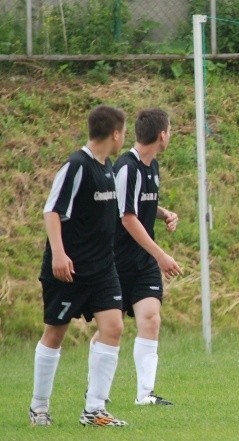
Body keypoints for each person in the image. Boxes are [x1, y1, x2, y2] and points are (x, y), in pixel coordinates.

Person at [30, 105, 129, 427]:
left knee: (113, 328)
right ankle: (39, 407)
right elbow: (51, 211)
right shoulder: (76, 166)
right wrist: (59, 254)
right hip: (68, 269)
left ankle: (94, 410)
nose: (123, 137)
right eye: (122, 132)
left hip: (103, 269)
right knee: (55, 334)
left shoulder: (109, 166)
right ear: (115, 133)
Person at [89, 108, 181, 406]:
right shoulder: (127, 167)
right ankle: (94, 392)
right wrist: (162, 255)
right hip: (116, 263)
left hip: (142, 265)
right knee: (109, 329)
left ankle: (145, 394)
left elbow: (139, 205)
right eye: (170, 130)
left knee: (151, 319)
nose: (171, 135)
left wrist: (162, 212)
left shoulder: (151, 166)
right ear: (162, 135)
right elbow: (127, 217)